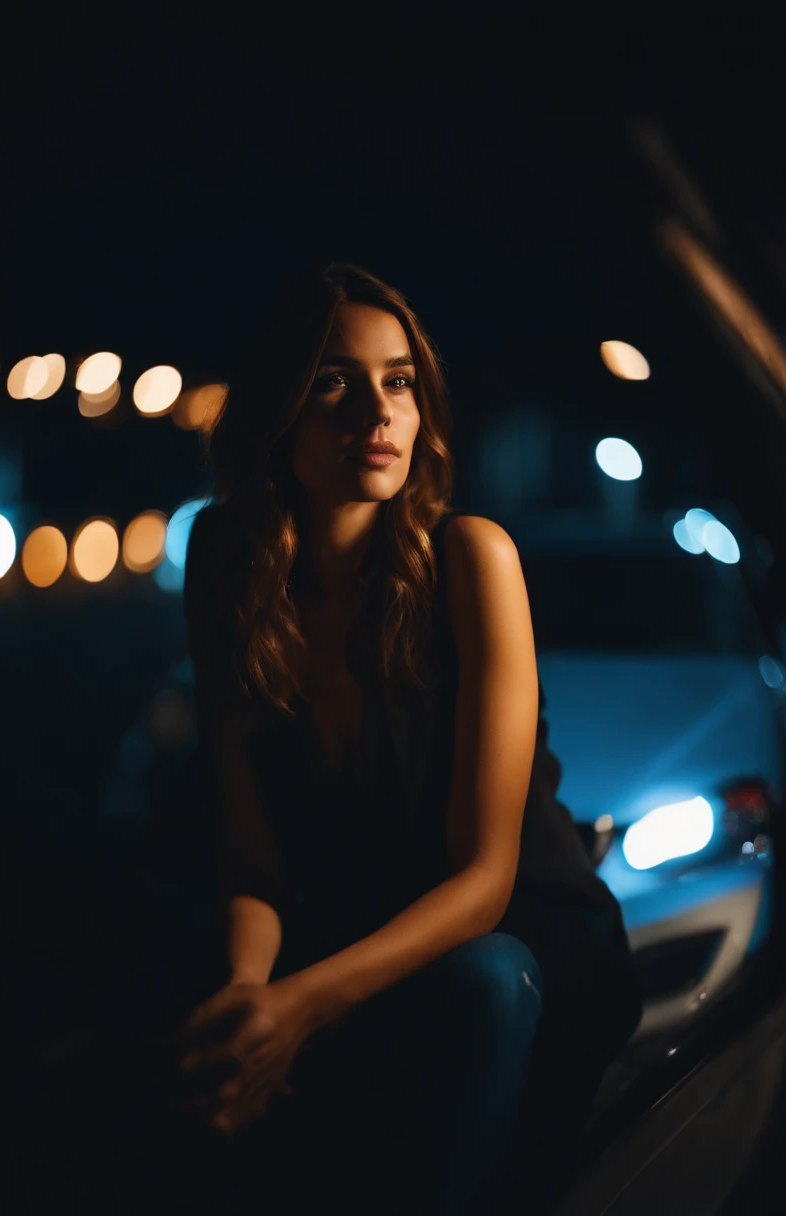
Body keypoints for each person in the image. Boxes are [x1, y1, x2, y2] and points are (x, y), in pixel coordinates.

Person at [168, 258, 639, 1215]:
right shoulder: (226, 565)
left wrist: (299, 1006)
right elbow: (254, 862)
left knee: (485, 982)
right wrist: (250, 1002)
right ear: (280, 411)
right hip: (351, 949)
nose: (376, 414)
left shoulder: (473, 558)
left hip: (521, 953)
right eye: (335, 382)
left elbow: (483, 886)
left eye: (399, 381)